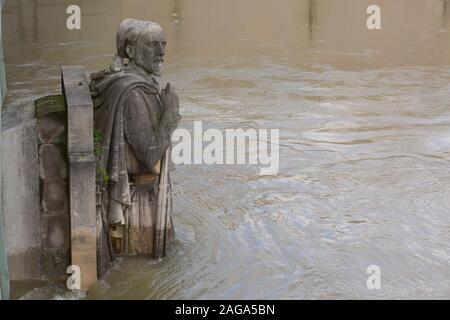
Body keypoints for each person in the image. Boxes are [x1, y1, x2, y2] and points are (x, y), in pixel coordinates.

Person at [89, 19, 181, 274]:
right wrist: (170, 115)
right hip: (137, 207)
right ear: (130, 51)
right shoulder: (132, 95)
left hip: (140, 198)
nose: (161, 51)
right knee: (142, 271)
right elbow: (149, 154)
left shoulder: (133, 85)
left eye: (163, 44)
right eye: (152, 44)